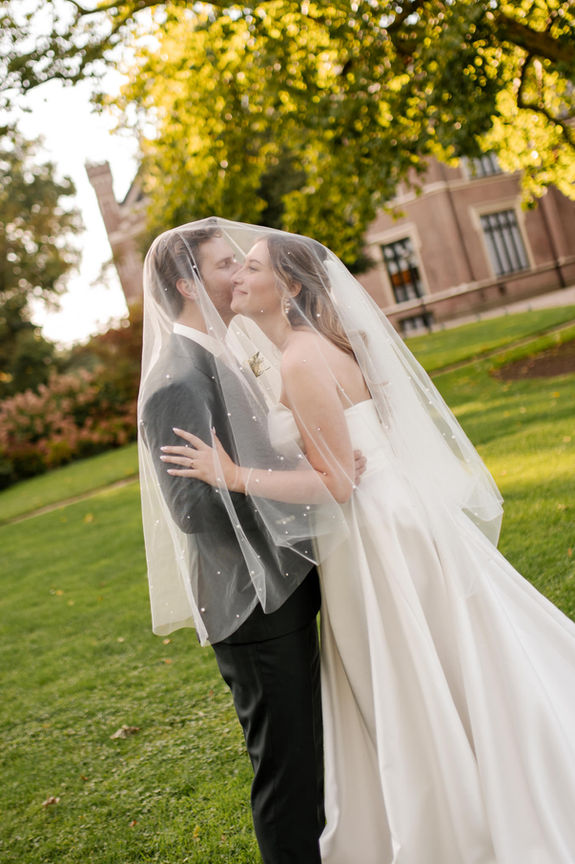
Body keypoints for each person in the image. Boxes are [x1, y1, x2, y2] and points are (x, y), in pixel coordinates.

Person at [160, 218, 575, 864]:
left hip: (371, 533)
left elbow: (335, 481)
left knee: (410, 674)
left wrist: (233, 474)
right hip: (389, 518)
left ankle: (453, 810)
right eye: (231, 266)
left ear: (287, 283)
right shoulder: (309, 346)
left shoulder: (299, 359)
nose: (240, 275)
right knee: (437, 661)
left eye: (252, 267)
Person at [138, 223, 361, 864]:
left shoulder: (226, 350)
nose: (238, 273)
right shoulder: (176, 378)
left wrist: (316, 467)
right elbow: (195, 512)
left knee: (312, 759)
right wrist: (294, 490)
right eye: (223, 265)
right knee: (287, 774)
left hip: (286, 588)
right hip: (254, 608)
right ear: (186, 283)